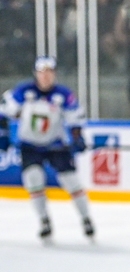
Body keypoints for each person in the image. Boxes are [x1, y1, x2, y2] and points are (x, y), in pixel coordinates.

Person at [0, 56, 94, 241]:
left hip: (56, 145)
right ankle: (44, 220)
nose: (46, 76)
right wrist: (2, 135)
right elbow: (3, 112)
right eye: (42, 72)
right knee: (33, 179)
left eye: (50, 72)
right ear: (36, 73)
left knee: (71, 181)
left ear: (55, 74)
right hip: (30, 146)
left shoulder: (63, 94)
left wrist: (77, 138)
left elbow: (75, 118)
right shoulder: (23, 91)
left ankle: (86, 219)